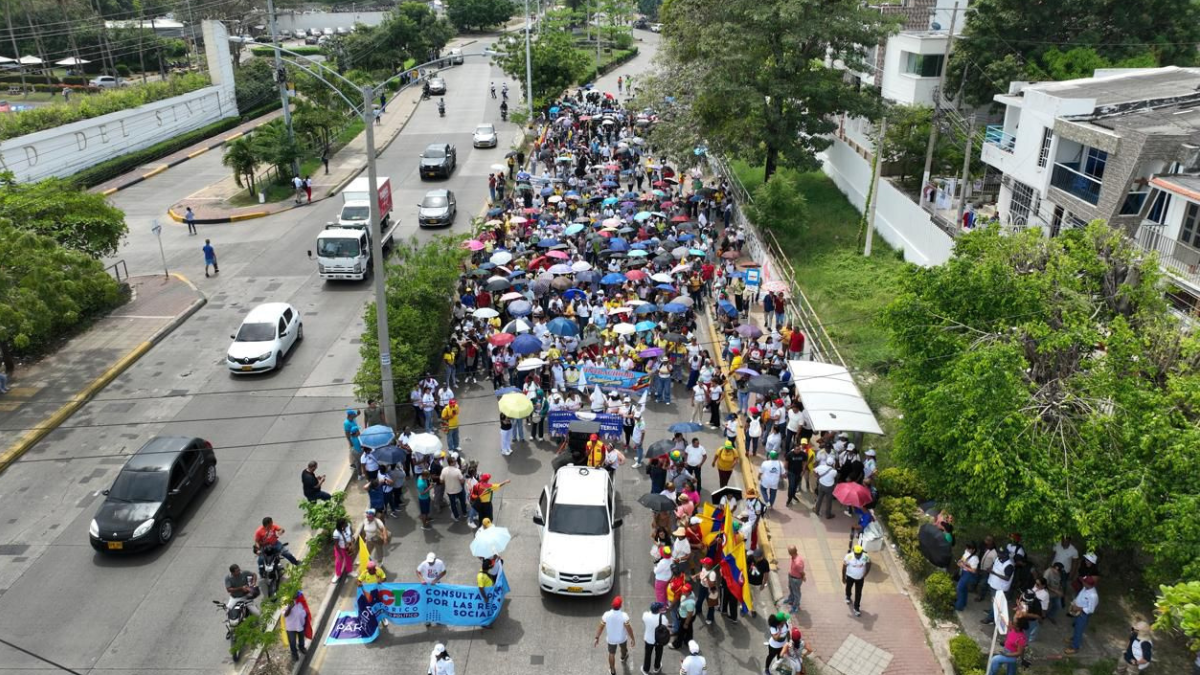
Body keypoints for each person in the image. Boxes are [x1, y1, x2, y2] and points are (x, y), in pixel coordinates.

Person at [595, 596, 635, 675]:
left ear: (612, 605)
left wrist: (597, 637)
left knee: (611, 653)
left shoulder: (606, 615)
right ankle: (623, 657)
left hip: (611, 639)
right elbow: (629, 628)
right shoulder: (624, 616)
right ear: (620, 606)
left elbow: (601, 627)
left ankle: (612, 670)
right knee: (623, 648)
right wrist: (632, 638)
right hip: (622, 638)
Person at [1064, 577, 1098, 654]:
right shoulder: (1085, 588)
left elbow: (1091, 609)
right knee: (1076, 626)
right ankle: (1074, 638)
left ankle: (1075, 647)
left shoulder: (1093, 595)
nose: (1082, 582)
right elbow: (1080, 596)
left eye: (1084, 582)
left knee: (1079, 629)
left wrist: (1079, 608)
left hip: (1083, 614)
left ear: (1088, 584)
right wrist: (1074, 603)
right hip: (1077, 611)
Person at [842, 544, 871, 617]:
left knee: (858, 593)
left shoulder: (865, 557)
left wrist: (866, 573)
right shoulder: (848, 557)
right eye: (856, 554)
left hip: (860, 578)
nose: (858, 556)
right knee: (848, 587)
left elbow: (869, 563)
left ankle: (856, 608)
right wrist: (843, 577)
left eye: (859, 554)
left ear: (862, 552)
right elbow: (844, 567)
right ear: (854, 552)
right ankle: (848, 596)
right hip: (850, 576)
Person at [642, 601, 669, 675]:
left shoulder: (645, 615)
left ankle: (646, 669)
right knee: (659, 653)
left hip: (648, 639)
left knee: (648, 654)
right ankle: (656, 667)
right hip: (659, 640)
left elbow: (644, 617)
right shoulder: (663, 618)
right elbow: (666, 625)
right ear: (658, 610)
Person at [955, 541, 981, 611]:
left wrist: (964, 566)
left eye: (969, 549)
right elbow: (961, 561)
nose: (967, 550)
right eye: (967, 548)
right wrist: (960, 563)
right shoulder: (966, 553)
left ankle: (959, 606)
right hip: (963, 572)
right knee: (964, 589)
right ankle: (963, 603)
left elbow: (974, 570)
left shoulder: (975, 558)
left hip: (968, 574)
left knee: (960, 588)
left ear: (973, 550)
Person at [283, 596, 308, 661]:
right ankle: (294, 654)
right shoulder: (285, 601)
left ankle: (301, 647)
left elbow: (304, 608)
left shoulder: (300, 600)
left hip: (300, 624)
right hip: (291, 627)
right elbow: (285, 614)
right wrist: (290, 607)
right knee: (292, 642)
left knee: (301, 638)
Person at [331, 517, 354, 582]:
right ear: (341, 525)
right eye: (345, 523)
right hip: (340, 548)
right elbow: (336, 545)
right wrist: (340, 554)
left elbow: (351, 533)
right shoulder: (336, 533)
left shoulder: (348, 525)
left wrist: (352, 538)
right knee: (339, 561)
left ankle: (349, 571)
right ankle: (337, 574)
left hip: (348, 546)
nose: (347, 524)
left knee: (349, 558)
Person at [786, 545, 806, 613]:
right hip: (791, 576)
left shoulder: (798, 562)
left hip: (796, 579)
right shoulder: (793, 557)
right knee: (791, 588)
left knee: (796, 593)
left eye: (789, 552)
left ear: (791, 553)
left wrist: (803, 577)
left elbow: (802, 572)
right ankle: (791, 599)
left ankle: (795, 606)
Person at [344, 409, 363, 478]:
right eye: (353, 415)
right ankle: (352, 463)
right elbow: (347, 434)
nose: (354, 416)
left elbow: (355, 416)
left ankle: (357, 466)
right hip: (352, 439)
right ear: (350, 415)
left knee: (357, 459)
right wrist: (350, 442)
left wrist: (357, 414)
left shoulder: (353, 419)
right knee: (353, 451)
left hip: (355, 436)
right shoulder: (347, 423)